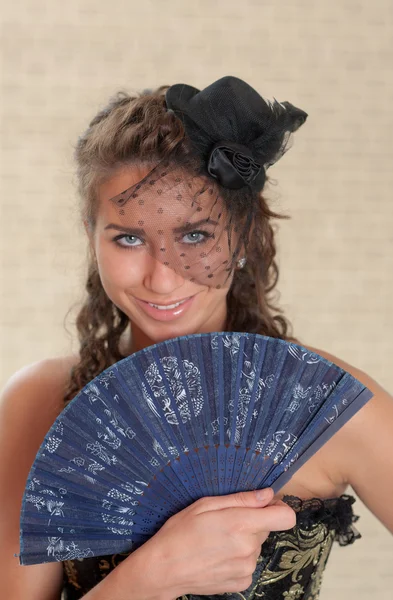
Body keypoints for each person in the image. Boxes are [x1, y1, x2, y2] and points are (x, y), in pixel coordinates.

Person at [1, 76, 392, 600]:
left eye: (194, 235)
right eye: (130, 238)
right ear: (92, 238)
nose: (162, 277)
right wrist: (151, 575)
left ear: (243, 235)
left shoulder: (327, 405)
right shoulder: (37, 404)